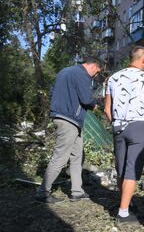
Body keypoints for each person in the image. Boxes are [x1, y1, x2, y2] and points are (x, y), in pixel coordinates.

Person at [104, 46, 144, 224]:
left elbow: (107, 109)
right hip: (138, 127)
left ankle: (125, 202)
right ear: (143, 60)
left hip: (118, 126)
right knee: (131, 171)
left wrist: (116, 123)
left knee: (121, 168)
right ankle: (123, 213)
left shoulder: (113, 78)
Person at [36, 58, 102, 203]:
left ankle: (77, 191)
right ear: (92, 66)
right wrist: (94, 105)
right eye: (96, 72)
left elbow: (52, 91)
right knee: (61, 156)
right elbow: (86, 99)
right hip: (69, 119)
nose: (95, 76)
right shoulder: (83, 75)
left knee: (77, 155)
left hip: (64, 117)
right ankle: (43, 192)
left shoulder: (64, 71)